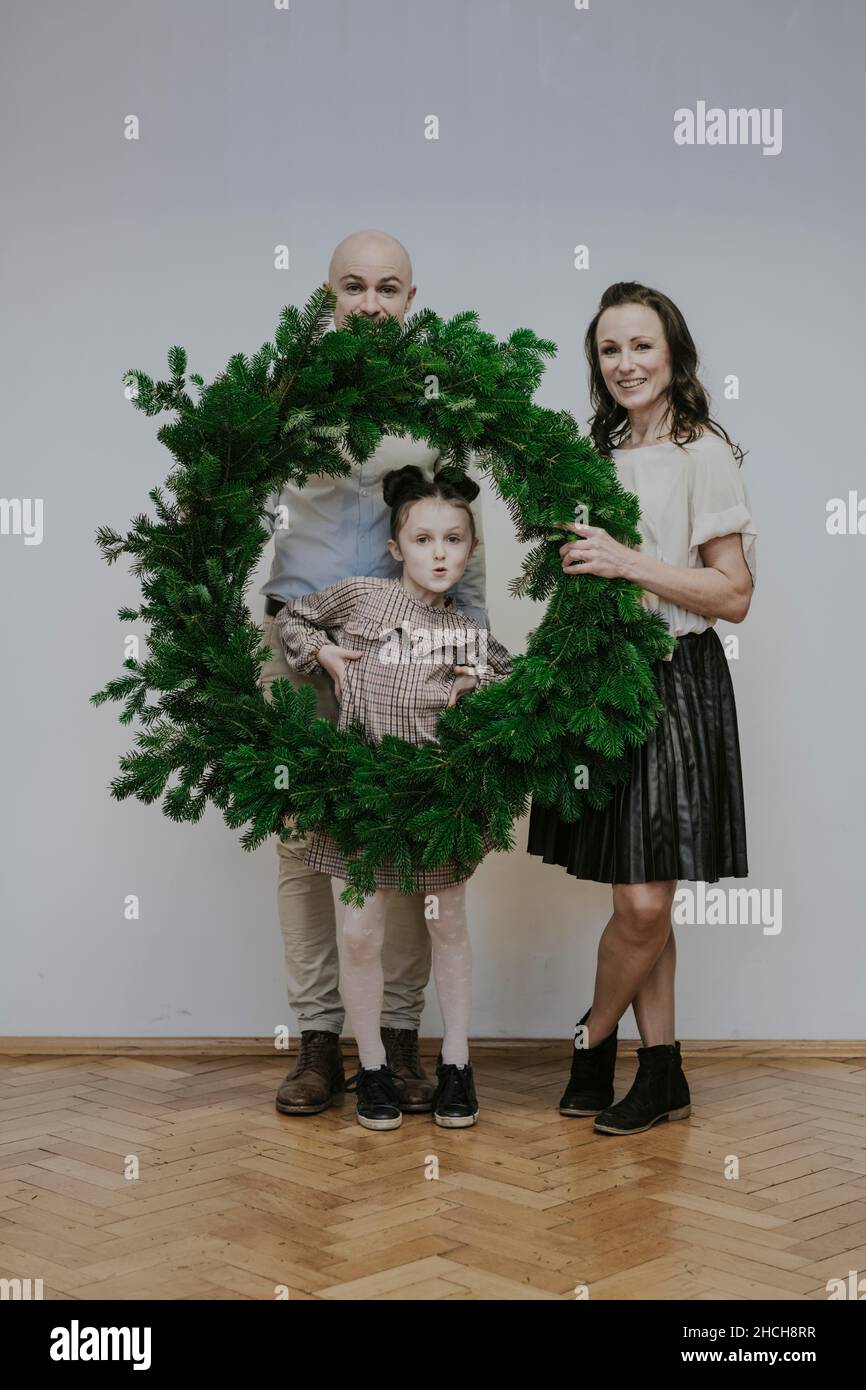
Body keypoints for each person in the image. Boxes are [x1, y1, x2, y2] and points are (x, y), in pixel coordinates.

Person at [258, 230, 491, 1118]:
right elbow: (230, 495)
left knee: (418, 838)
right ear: (326, 296)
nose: (368, 301)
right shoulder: (287, 394)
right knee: (303, 840)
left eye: (386, 287)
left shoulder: (440, 399)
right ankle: (321, 1037)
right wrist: (303, 639)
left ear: (410, 299)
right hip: (303, 634)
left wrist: (472, 649)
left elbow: (461, 528)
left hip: (419, 647)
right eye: (351, 286)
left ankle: (397, 1035)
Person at [527, 280, 757, 1136]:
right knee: (642, 893)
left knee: (645, 902)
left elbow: (733, 595)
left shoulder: (706, 452)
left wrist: (628, 562)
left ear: (674, 355)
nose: (625, 364)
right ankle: (661, 1071)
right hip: (601, 681)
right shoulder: (595, 451)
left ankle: (591, 1038)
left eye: (641, 347)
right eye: (609, 349)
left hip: (676, 680)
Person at [275, 465, 513, 1130]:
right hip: (365, 797)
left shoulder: (468, 634)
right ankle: (373, 1065)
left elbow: (514, 685)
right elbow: (295, 617)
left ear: (469, 550)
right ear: (396, 548)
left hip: (435, 801)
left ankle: (457, 1063)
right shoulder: (359, 600)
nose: (439, 554)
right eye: (424, 540)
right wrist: (322, 655)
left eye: (454, 541)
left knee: (448, 924)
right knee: (358, 931)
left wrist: (481, 687)